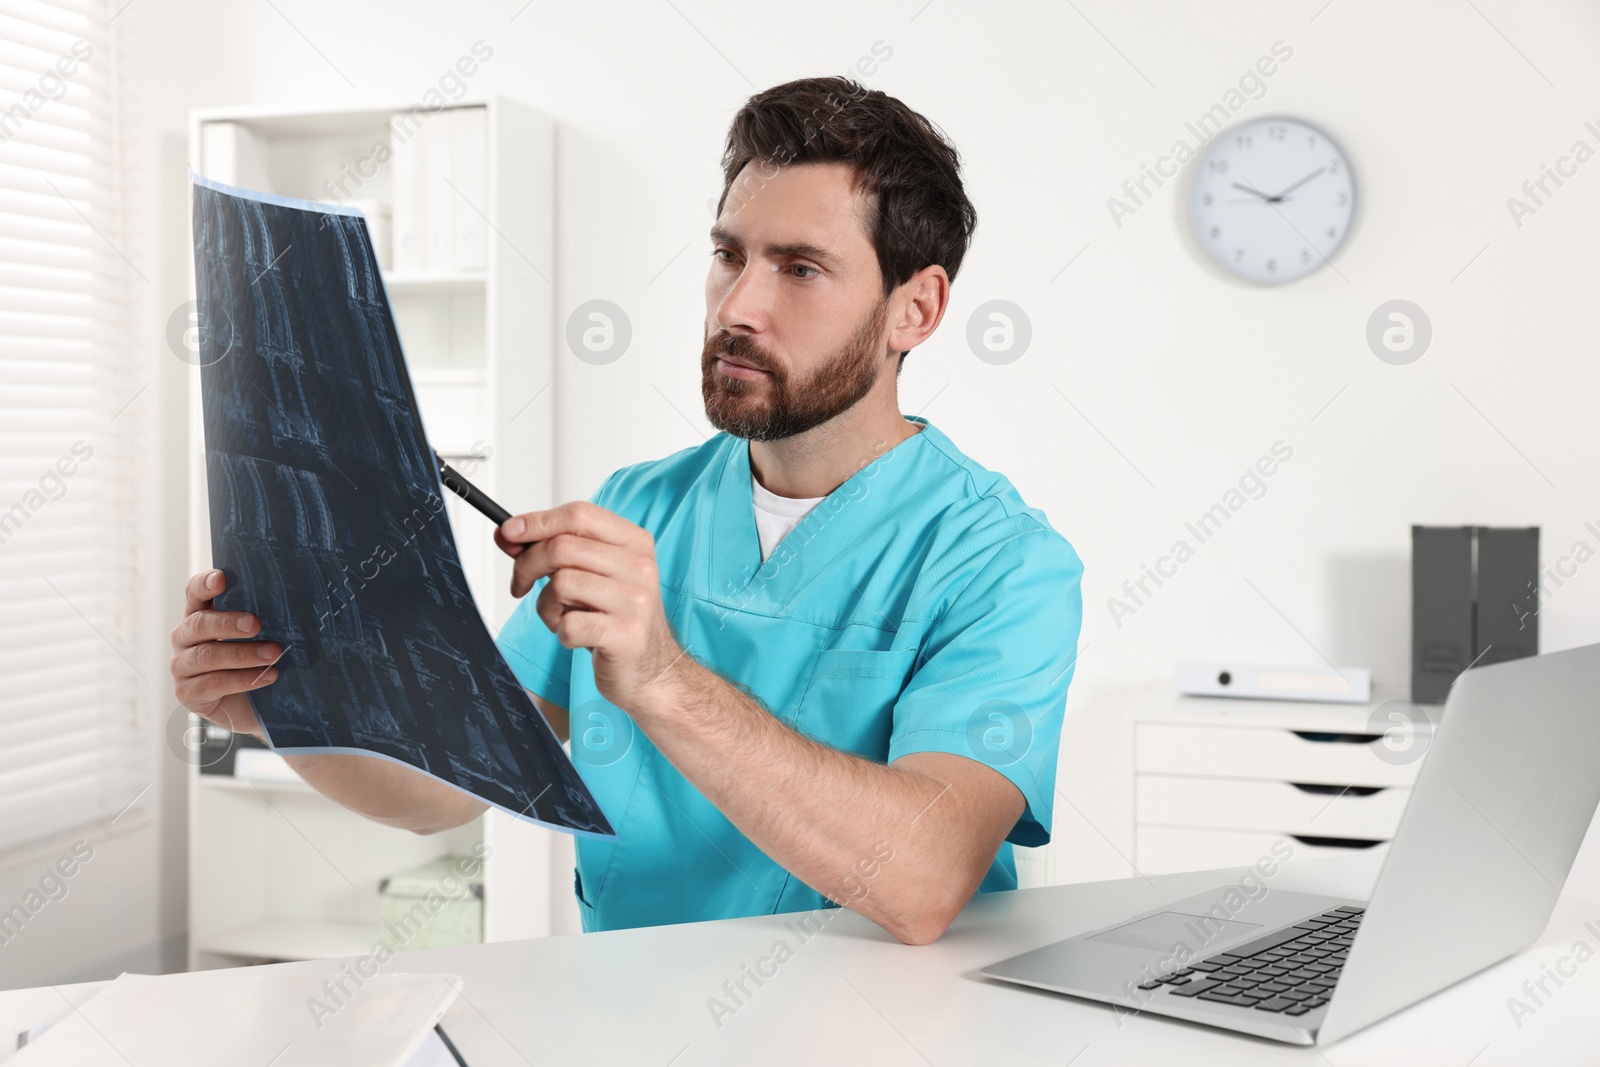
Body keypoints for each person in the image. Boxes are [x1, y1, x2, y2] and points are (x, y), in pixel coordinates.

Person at [171, 76, 1083, 945]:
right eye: (729, 255)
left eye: (800, 268)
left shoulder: (1004, 563)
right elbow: (444, 790)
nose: (738, 306)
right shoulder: (640, 507)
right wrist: (280, 702)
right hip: (627, 1012)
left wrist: (662, 678)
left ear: (914, 309)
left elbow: (925, 882)